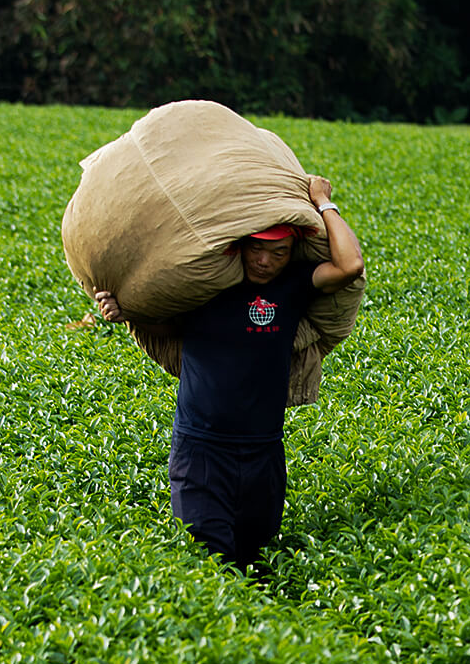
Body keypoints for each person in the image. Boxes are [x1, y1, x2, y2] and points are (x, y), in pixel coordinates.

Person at [94, 175, 363, 569]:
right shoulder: (205, 284)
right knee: (208, 558)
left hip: (263, 449)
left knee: (258, 557)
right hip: (201, 450)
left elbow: (350, 265)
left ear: (292, 253)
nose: (264, 261)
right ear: (241, 245)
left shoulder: (292, 286)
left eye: (279, 253)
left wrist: (323, 202)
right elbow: (163, 323)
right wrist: (124, 312)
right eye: (257, 250)